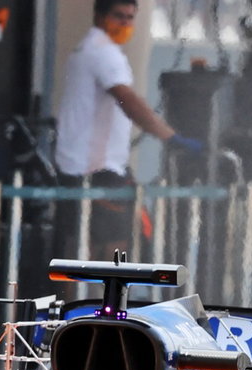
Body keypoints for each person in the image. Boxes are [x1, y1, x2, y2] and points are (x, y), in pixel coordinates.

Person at [54, 0, 200, 260]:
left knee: (81, 248)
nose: (125, 23)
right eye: (118, 16)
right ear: (99, 16)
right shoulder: (103, 52)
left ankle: (80, 301)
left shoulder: (88, 50)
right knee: (110, 249)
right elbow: (128, 100)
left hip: (82, 168)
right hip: (96, 170)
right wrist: (170, 137)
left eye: (130, 18)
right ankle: (106, 300)